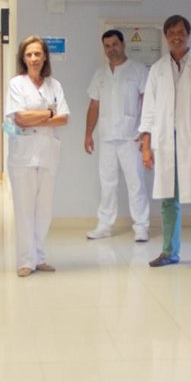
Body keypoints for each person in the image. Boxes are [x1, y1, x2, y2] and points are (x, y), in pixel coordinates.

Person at [139, 15, 191, 270]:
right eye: (172, 33)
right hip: (165, 141)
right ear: (166, 36)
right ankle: (169, 252)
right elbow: (149, 110)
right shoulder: (157, 69)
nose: (177, 37)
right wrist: (146, 146)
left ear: (188, 34)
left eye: (181, 32)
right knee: (167, 199)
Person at [5, 35, 70, 277]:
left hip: (48, 153)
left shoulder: (54, 85)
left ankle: (40, 257)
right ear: (23, 58)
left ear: (45, 57)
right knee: (24, 209)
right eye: (29, 54)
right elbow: (20, 118)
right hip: (23, 156)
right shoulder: (16, 84)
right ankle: (25, 260)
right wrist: (49, 113)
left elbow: (64, 118)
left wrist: (38, 117)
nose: (33, 58)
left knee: (44, 210)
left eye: (38, 54)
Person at [83, 29, 151, 242]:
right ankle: (105, 225)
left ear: (123, 44)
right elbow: (94, 105)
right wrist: (88, 134)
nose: (111, 49)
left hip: (132, 137)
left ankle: (141, 226)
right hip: (107, 138)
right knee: (107, 183)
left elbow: (147, 103)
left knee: (136, 183)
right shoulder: (100, 74)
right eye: (107, 46)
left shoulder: (138, 70)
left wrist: (146, 132)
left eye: (114, 44)